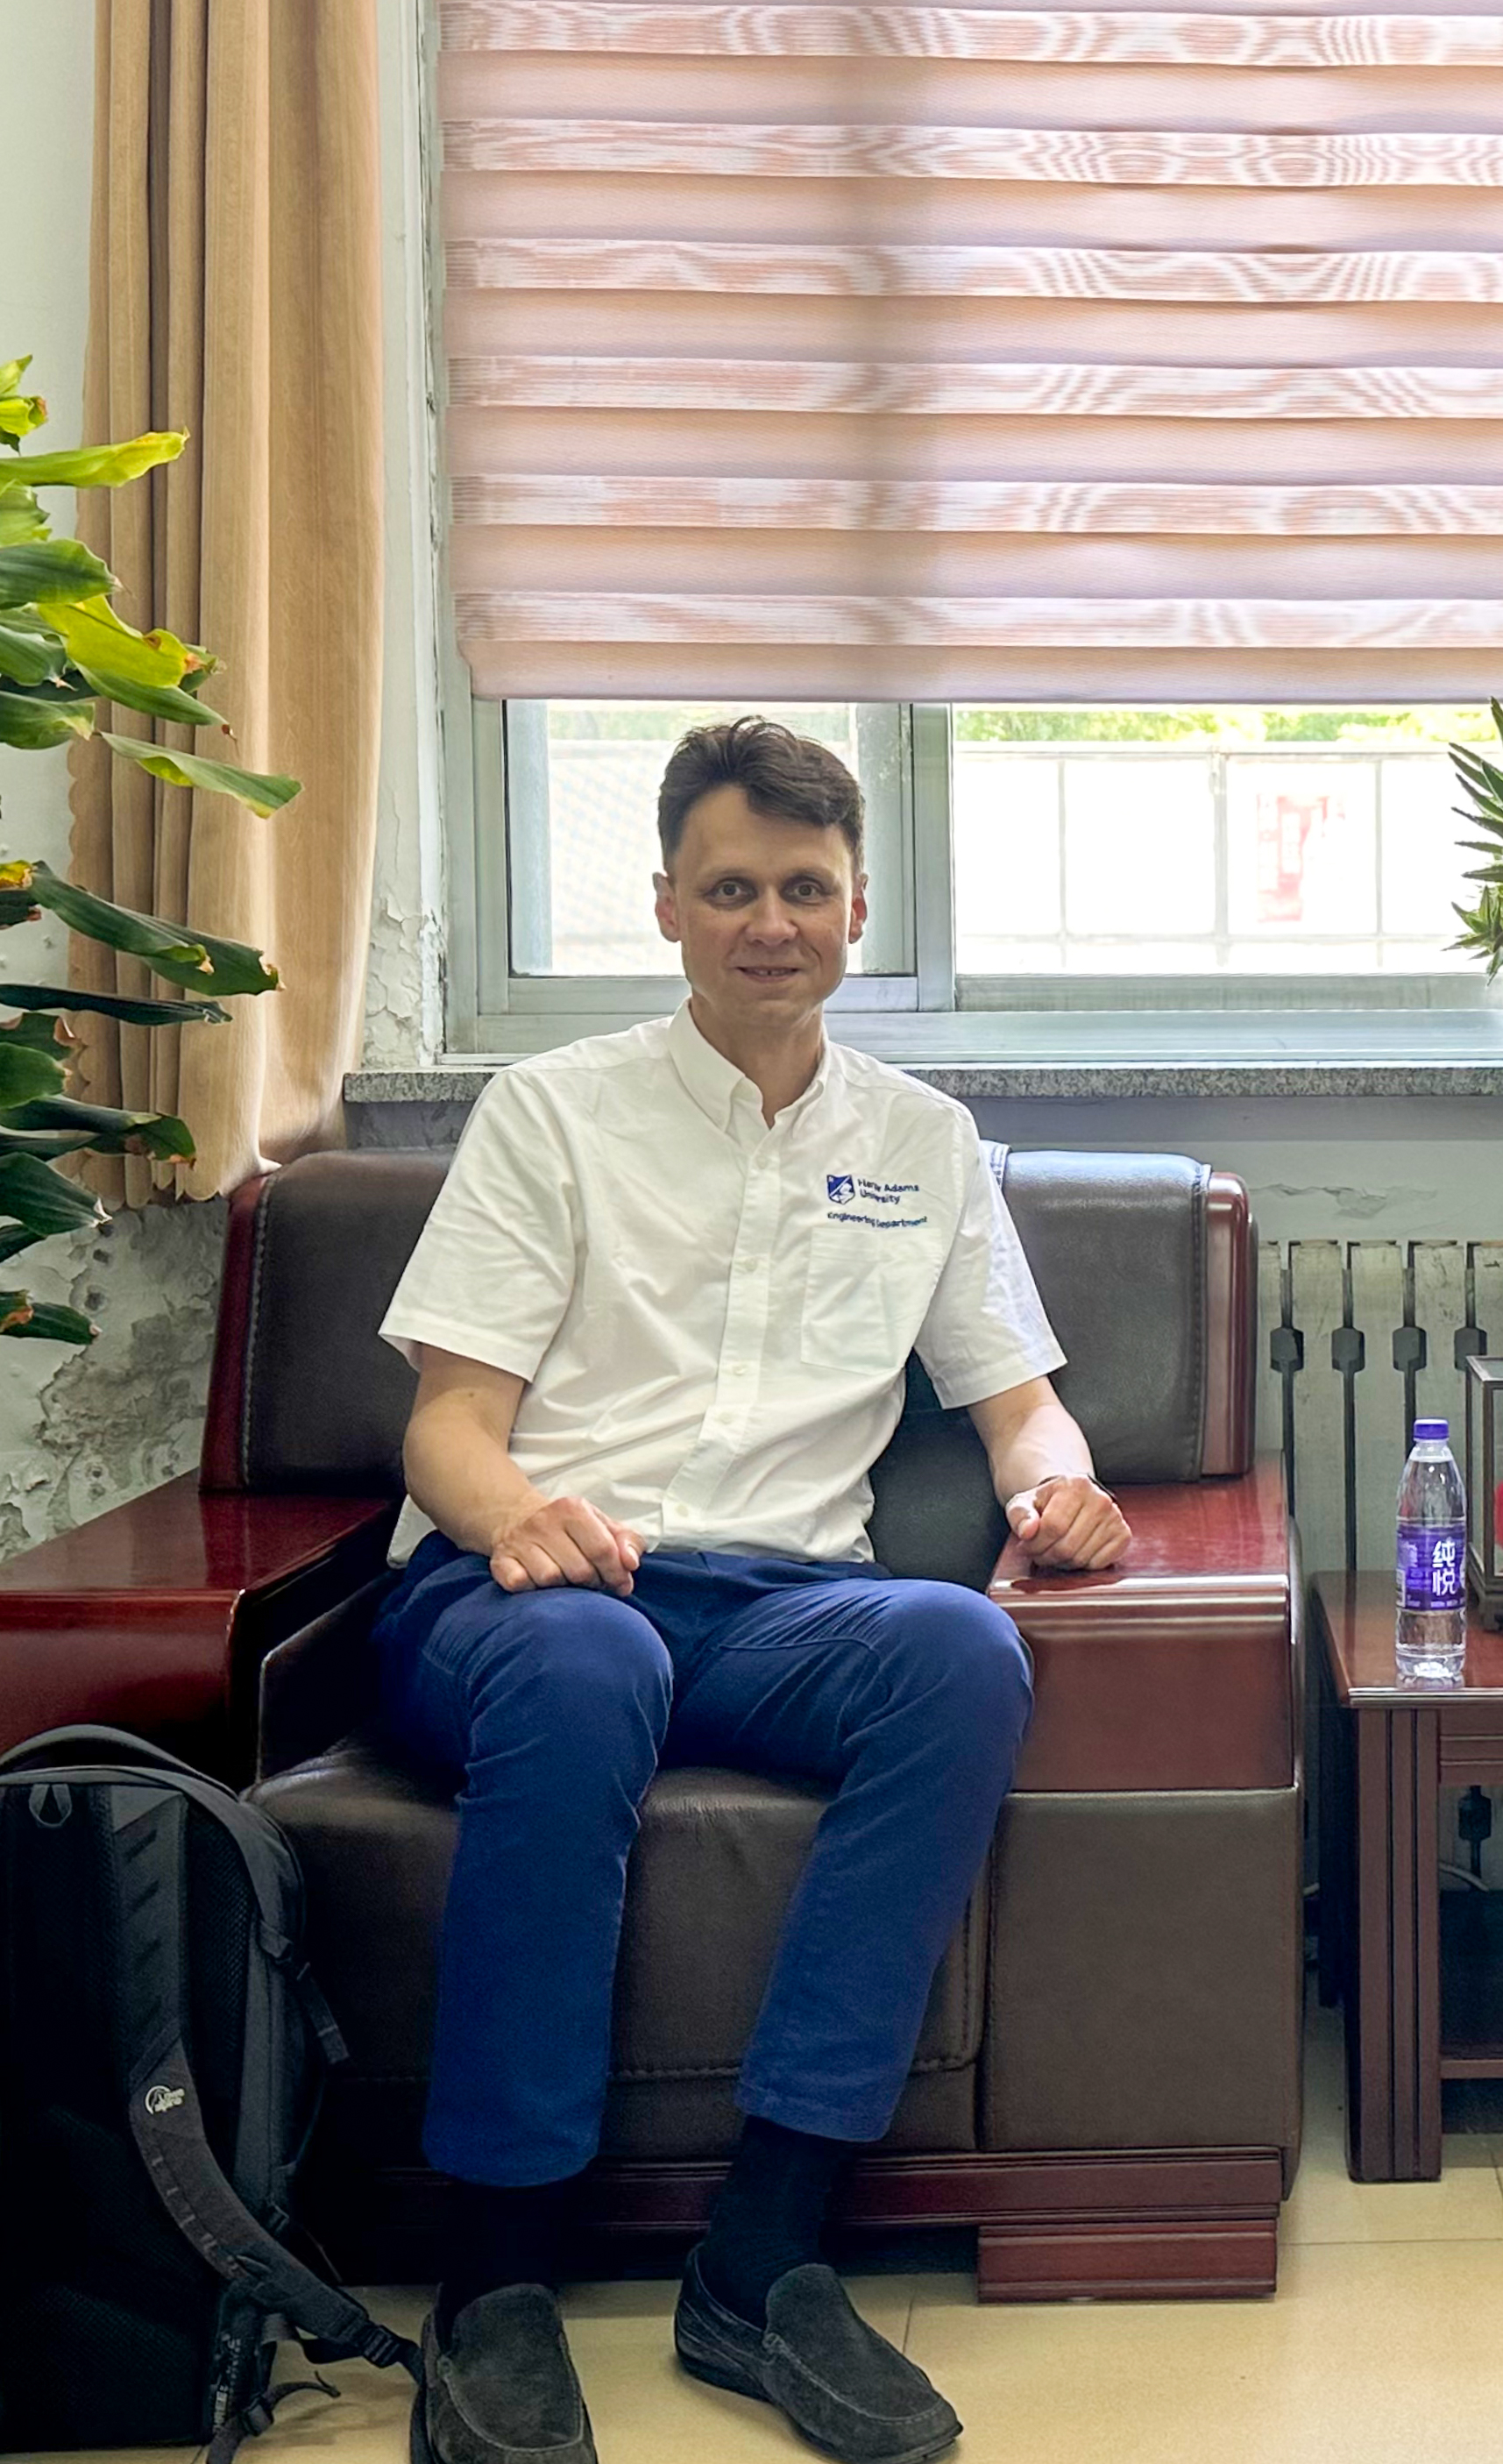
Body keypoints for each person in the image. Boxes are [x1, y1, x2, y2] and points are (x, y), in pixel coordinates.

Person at [375, 718, 1132, 2464]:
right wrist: (523, 1519)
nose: (770, 922)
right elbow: (447, 1422)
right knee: (585, 1665)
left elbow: (1015, 1400)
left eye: (805, 887)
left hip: (778, 1608)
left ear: (858, 906)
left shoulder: (923, 1140)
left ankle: (766, 2248)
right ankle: (496, 2273)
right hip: (527, 1594)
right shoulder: (550, 1112)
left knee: (956, 1646)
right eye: (731, 889)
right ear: (667, 905)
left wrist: (1053, 1489)